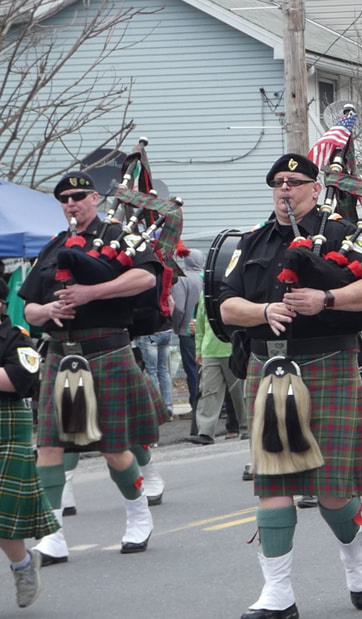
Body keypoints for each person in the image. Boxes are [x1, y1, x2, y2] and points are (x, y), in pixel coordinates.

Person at [219, 154, 362, 618]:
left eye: (294, 182)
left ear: (314, 189)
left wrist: (328, 298)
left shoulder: (344, 233)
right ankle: (278, 593)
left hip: (328, 364)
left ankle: (357, 557)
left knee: (332, 490)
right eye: (277, 183)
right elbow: (226, 307)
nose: (284, 190)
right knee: (272, 485)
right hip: (270, 369)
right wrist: (263, 312)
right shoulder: (252, 241)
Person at [20, 171, 164, 564]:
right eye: (64, 198)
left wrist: (92, 292)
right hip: (59, 355)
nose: (71, 203)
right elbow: (29, 305)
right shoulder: (54, 246)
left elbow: (146, 278)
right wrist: (46, 310)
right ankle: (53, 536)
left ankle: (138, 513)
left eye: (79, 196)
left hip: (106, 351)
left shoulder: (120, 235)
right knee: (48, 446)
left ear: (95, 198)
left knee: (114, 448)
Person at [0, 277, 55, 608]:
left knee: (2, 517)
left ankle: (22, 566)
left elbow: (21, 379)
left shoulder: (15, 338)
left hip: (6, 430)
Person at [191, 298, 246, 444]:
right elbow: (201, 324)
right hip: (210, 351)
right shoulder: (204, 295)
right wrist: (199, 349)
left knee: (239, 392)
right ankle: (205, 432)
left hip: (232, 349)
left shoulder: (234, 292)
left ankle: (247, 427)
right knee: (208, 391)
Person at [171, 244, 202, 419]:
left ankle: (196, 407)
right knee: (209, 369)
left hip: (188, 331)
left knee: (192, 369)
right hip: (207, 332)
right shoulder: (206, 276)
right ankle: (218, 407)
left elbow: (179, 308)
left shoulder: (182, 279)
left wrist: (177, 326)